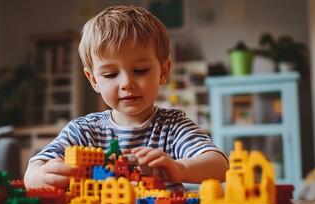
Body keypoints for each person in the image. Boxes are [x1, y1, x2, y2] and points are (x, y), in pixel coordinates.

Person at [24, 5, 229, 189]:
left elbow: (219, 165)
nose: (126, 83)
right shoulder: (83, 131)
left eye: (140, 70)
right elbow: (34, 169)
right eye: (111, 74)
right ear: (93, 79)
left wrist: (179, 168)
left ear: (164, 72)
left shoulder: (173, 126)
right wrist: (41, 175)